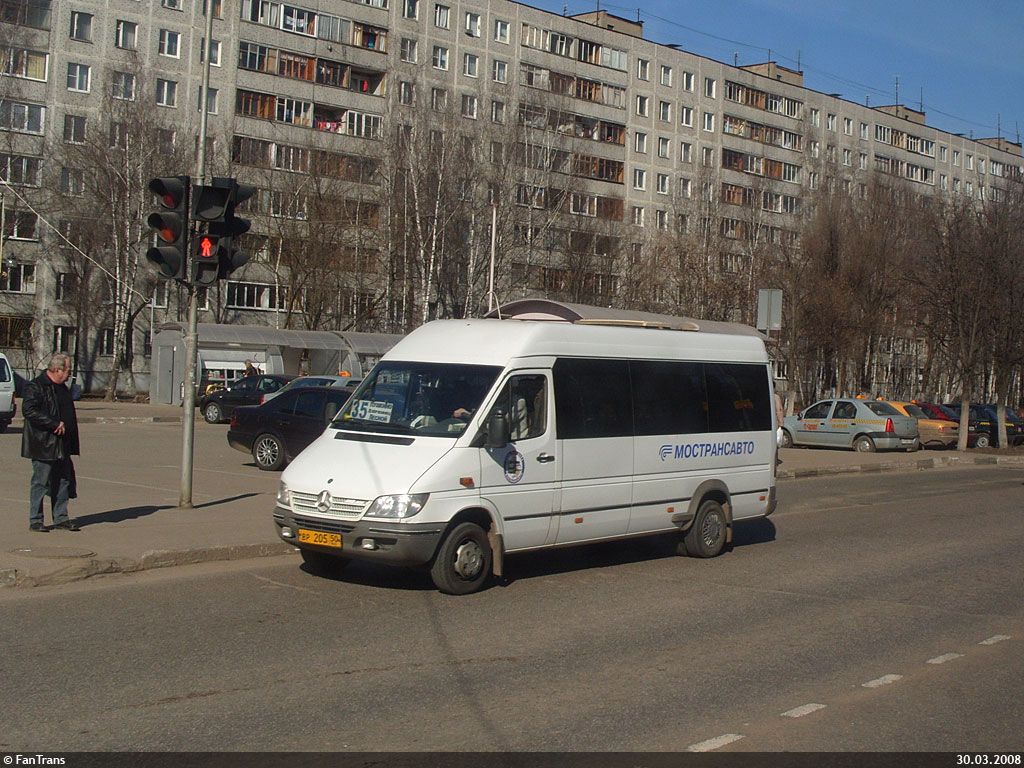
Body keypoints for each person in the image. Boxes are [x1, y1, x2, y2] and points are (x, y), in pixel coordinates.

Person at [22, 353, 81, 532]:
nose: (70, 374)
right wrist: (53, 423)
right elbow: (29, 411)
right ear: (57, 370)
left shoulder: (62, 387)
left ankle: (61, 517)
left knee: (63, 480)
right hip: (44, 444)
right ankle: (36, 520)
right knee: (41, 482)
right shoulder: (36, 386)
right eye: (68, 370)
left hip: (63, 443)